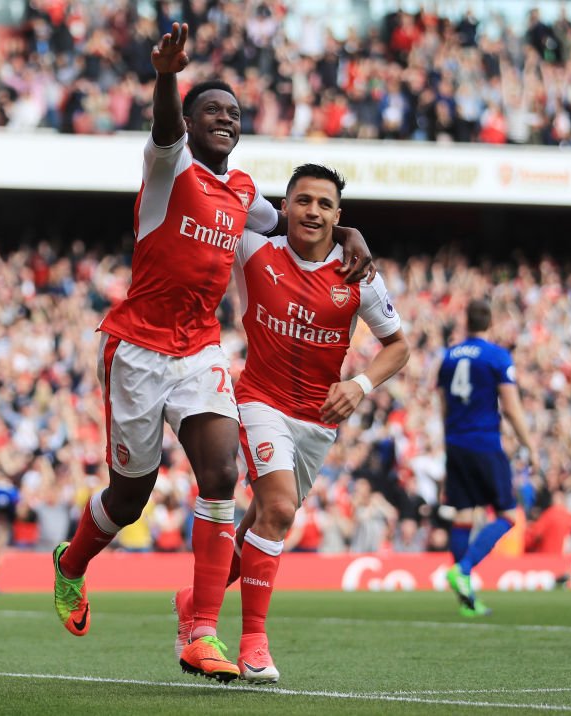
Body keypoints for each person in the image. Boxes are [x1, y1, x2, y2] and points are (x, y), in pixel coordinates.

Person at [50, 24, 373, 682]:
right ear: (191, 122)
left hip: (199, 349)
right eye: (212, 111)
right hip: (138, 348)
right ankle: (72, 562)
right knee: (130, 498)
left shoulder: (245, 191)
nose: (225, 118)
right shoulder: (169, 167)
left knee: (222, 473)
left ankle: (200, 631)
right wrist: (168, 77)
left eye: (233, 112)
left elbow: (295, 224)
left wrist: (350, 230)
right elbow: (164, 127)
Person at [172, 163, 409, 683]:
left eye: (325, 204)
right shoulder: (254, 248)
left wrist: (360, 385)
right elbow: (218, 200)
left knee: (265, 519)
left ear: (338, 215)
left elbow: (398, 346)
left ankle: (194, 599)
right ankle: (253, 643)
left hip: (318, 420)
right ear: (284, 208)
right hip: (260, 400)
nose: (313, 211)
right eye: (303, 201)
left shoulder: (358, 275)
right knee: (279, 510)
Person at [438, 299, 538, 616]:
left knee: (463, 515)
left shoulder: (449, 357)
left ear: (466, 322)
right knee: (508, 514)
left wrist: (449, 440)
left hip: (455, 441)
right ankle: (464, 569)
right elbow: (510, 407)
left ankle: (466, 599)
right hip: (484, 441)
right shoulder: (496, 355)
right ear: (490, 323)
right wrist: (530, 445)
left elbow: (443, 406)